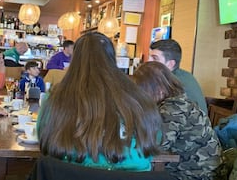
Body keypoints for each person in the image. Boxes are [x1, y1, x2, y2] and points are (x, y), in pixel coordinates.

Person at [37, 32, 162, 171]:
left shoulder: (56, 97)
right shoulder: (140, 98)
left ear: (74, 60)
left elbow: (44, 141)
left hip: (69, 173)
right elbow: (152, 142)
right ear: (112, 58)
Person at [132, 61, 222, 180]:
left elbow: (157, 146)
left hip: (195, 174)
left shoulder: (172, 110)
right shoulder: (180, 102)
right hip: (200, 169)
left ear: (158, 89)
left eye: (143, 91)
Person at [149, 39, 208, 114]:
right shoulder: (186, 75)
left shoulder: (170, 83)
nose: (148, 61)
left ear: (170, 64)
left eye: (154, 58)